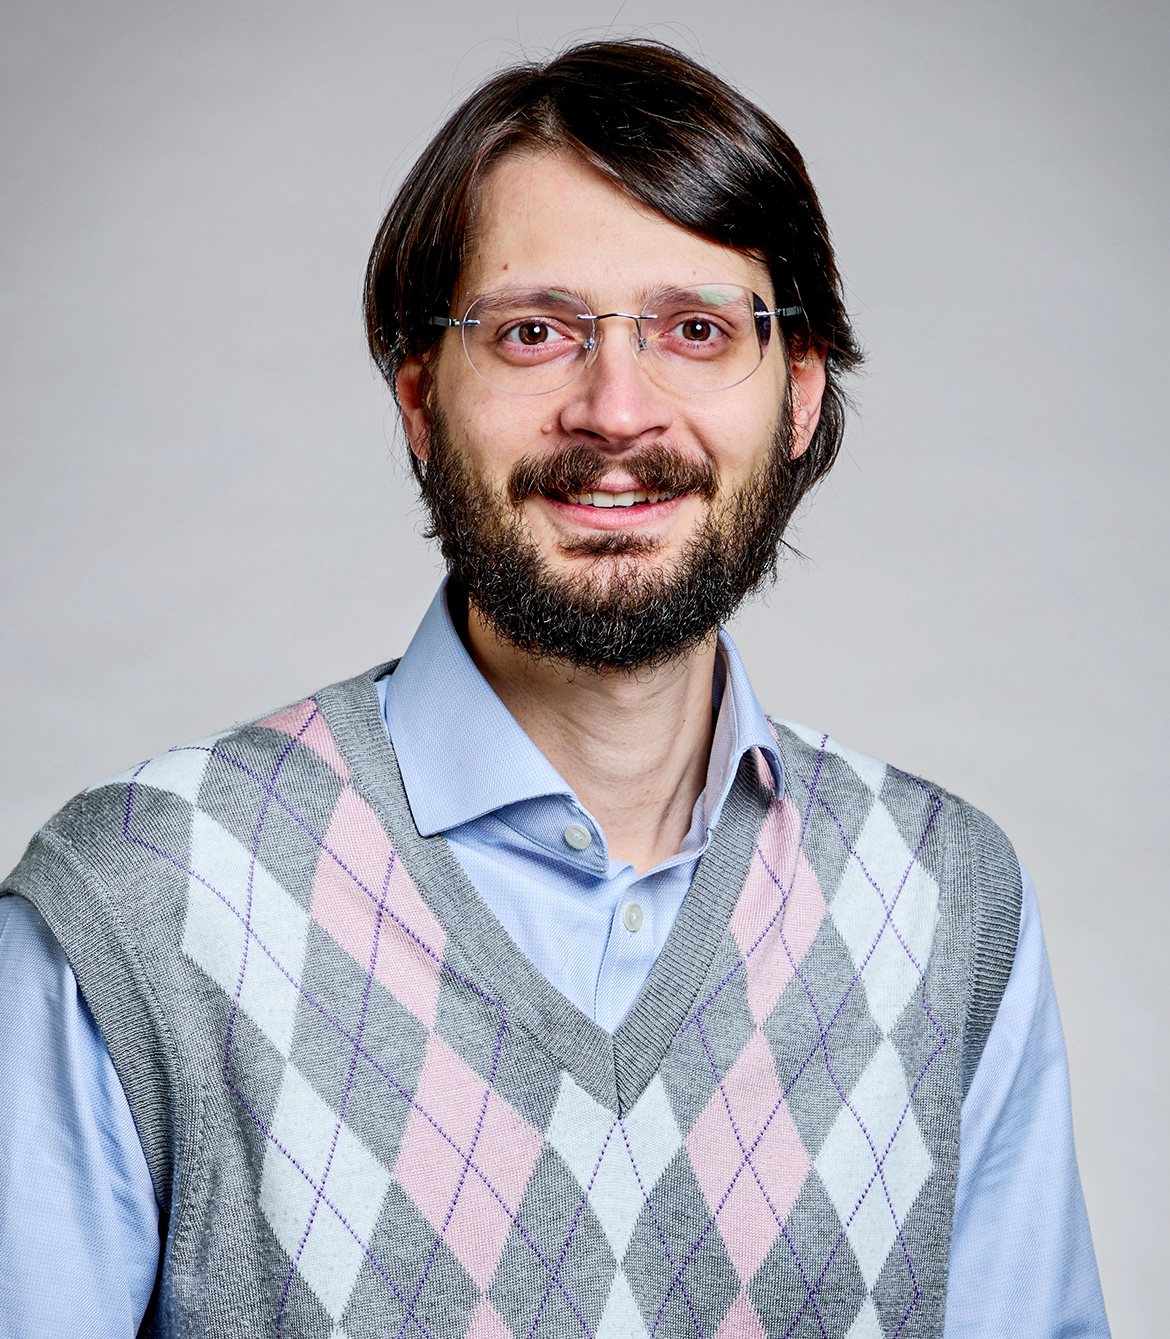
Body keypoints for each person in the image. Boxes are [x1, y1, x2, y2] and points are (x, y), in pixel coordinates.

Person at [0, 40, 1108, 1339]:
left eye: (696, 330)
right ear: (421, 398)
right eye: (535, 332)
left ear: (798, 394)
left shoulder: (942, 901)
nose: (616, 409)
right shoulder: (137, 908)